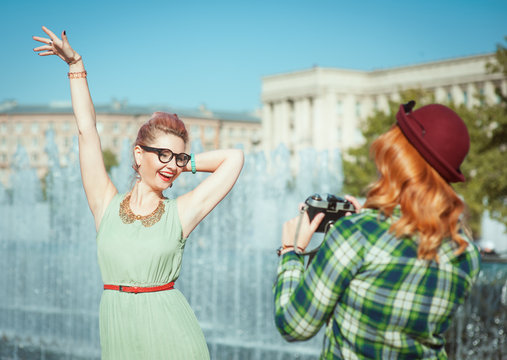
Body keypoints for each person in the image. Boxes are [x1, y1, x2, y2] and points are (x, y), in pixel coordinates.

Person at [33, 26, 244, 359]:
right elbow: (86, 131)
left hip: (174, 339)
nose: (170, 165)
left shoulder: (181, 212)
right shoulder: (104, 202)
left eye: (178, 157)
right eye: (162, 154)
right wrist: (76, 67)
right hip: (119, 337)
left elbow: (234, 158)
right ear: (137, 154)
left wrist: (183, 163)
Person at [273, 101, 481, 359]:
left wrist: (292, 252)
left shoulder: (357, 234)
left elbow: (295, 326)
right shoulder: (467, 253)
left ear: (397, 156)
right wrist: (371, 218)